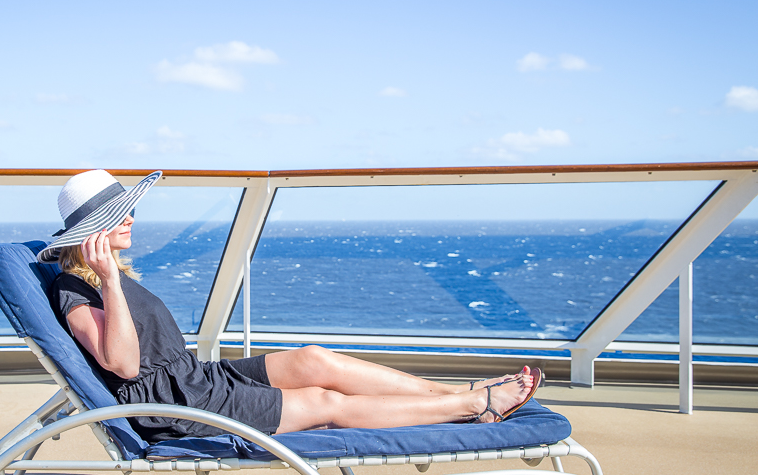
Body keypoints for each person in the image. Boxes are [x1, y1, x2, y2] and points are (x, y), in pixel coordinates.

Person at [42, 169, 539, 442]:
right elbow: (125, 365)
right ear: (92, 232)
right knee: (324, 403)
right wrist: (110, 279)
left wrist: (112, 276)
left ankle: (454, 390)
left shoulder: (105, 277)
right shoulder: (75, 289)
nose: (132, 217)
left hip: (197, 379)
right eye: (120, 212)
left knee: (313, 360)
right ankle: (472, 406)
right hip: (178, 406)